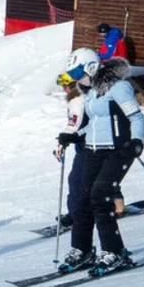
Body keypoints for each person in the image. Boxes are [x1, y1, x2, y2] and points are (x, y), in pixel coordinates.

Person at [55, 48, 144, 274]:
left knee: (100, 196)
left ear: (91, 67)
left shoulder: (119, 87)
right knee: (82, 199)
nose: (77, 77)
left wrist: (137, 142)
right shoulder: (91, 92)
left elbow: (136, 117)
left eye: (78, 71)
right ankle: (82, 250)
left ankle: (115, 252)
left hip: (118, 150)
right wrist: (75, 135)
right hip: (93, 150)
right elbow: (94, 122)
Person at [52, 82, 87, 231]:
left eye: (64, 85)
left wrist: (65, 139)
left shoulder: (76, 100)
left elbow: (74, 124)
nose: (63, 89)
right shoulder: (85, 97)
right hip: (89, 144)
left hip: (88, 147)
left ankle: (75, 215)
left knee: (76, 180)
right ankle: (115, 205)